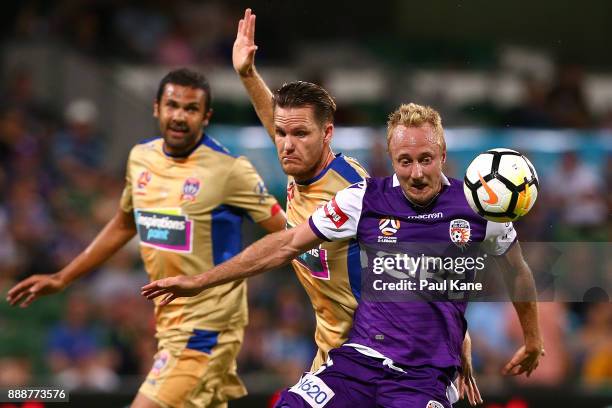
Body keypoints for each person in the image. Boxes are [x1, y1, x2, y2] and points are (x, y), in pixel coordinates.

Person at [146, 92, 544, 407]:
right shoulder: (363, 199)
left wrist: (531, 339)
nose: (416, 172)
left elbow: (518, 271)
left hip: (424, 376)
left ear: (442, 156)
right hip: (359, 363)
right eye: (405, 161)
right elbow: (285, 244)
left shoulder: (479, 207)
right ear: (391, 159)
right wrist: (201, 281)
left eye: (426, 159)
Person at [233, 8, 480, 405]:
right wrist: (247, 75)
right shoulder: (300, 165)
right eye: (283, 134)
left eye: (299, 134)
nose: (286, 143)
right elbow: (281, 124)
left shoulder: (353, 191)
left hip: (377, 357)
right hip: (333, 355)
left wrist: (458, 335)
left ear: (325, 135)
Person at [7, 68, 286, 408]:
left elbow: (285, 236)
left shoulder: (230, 170)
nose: (180, 116)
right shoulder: (142, 157)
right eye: (172, 105)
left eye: (191, 108)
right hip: (169, 328)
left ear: (206, 116)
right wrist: (62, 277)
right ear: (156, 108)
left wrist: (216, 278)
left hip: (207, 330)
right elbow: (125, 224)